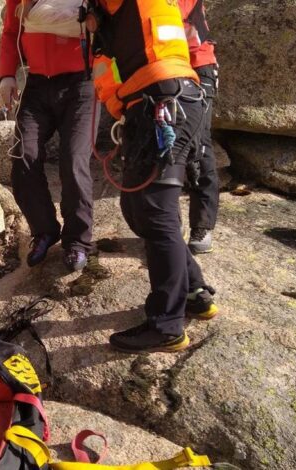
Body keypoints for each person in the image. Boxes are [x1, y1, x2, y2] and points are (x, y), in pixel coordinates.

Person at [86, 0, 218, 353]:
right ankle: (193, 291)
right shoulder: (111, 16)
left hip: (164, 100)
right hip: (156, 101)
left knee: (156, 212)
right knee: (138, 206)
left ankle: (166, 325)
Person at [0, 0, 97, 272]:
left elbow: (109, 27)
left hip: (82, 83)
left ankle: (77, 242)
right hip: (38, 83)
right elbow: (10, 32)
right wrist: (6, 75)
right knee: (23, 158)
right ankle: (44, 230)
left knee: (73, 160)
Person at [180, 0, 219, 255]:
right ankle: (167, 227)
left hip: (198, 65)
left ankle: (202, 225)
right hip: (161, 69)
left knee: (198, 145)